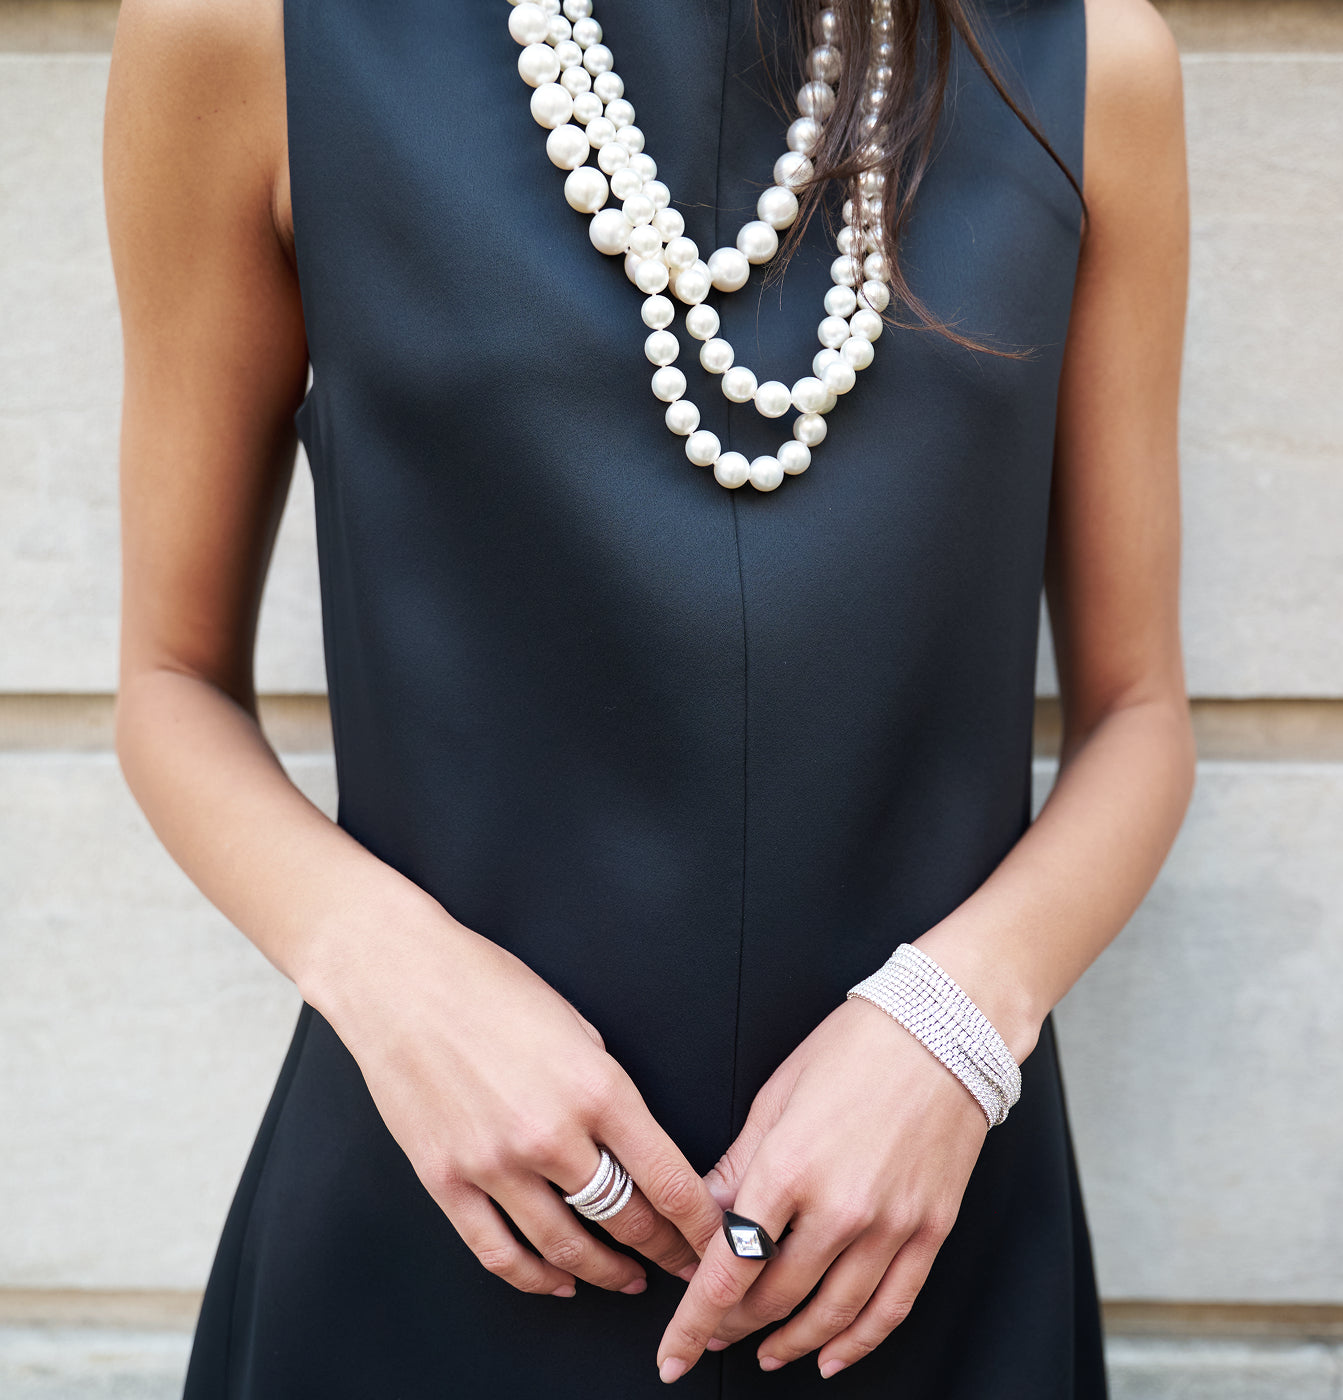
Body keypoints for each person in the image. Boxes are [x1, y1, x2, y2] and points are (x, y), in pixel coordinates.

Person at [103, 0, 1193, 1392]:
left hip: (924, 1231)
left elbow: (1141, 712)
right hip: (440, 1217)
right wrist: (389, 978)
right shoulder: (246, 32)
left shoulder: (1091, 65)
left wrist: (958, 1026)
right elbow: (170, 679)